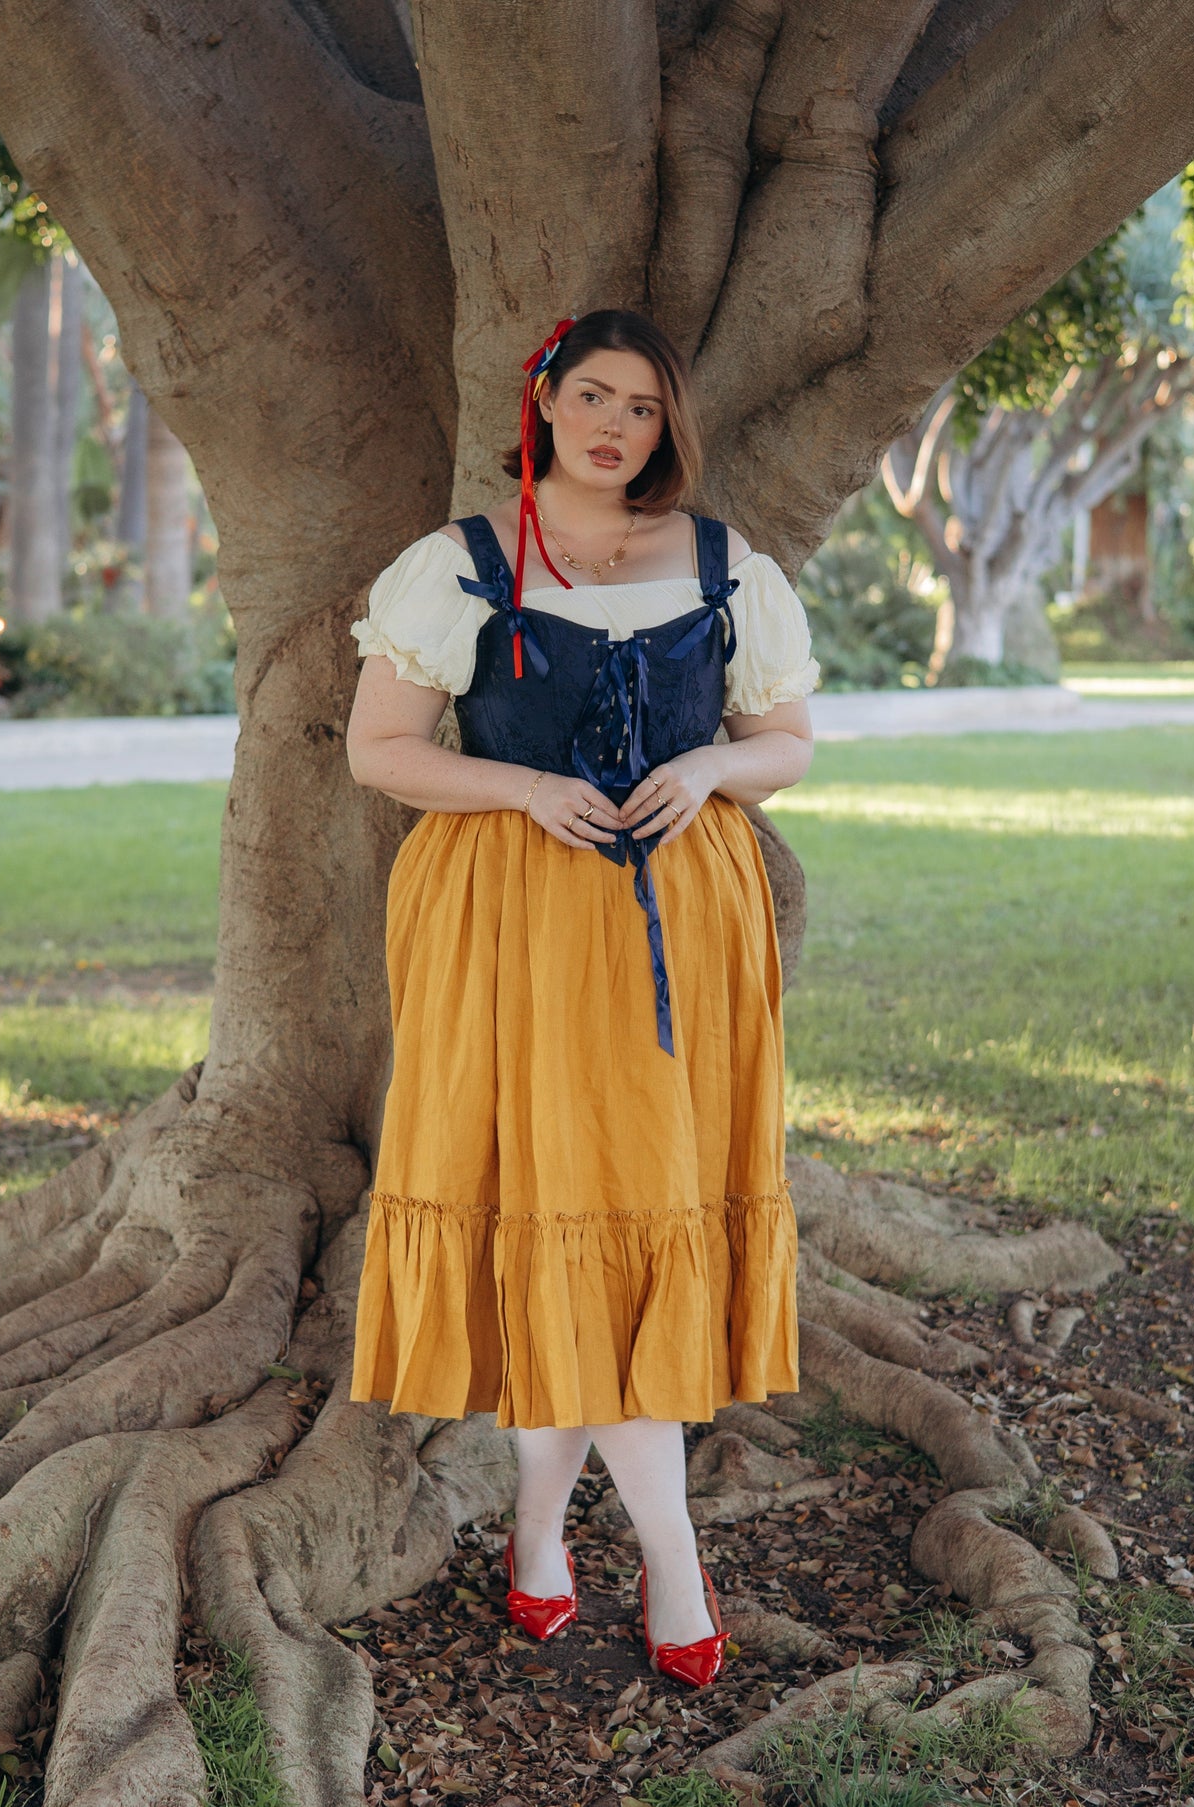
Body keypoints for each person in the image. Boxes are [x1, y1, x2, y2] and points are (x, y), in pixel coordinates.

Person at [344, 308, 818, 1686]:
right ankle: (672, 1560)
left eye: (643, 409)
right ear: (543, 402)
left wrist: (717, 772)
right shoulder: (459, 566)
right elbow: (382, 749)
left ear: (668, 428)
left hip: (681, 917)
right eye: (592, 397)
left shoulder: (725, 566)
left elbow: (784, 738)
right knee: (561, 1211)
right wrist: (528, 786)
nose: (615, 427)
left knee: (624, 1212)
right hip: (511, 917)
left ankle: (541, 1535)